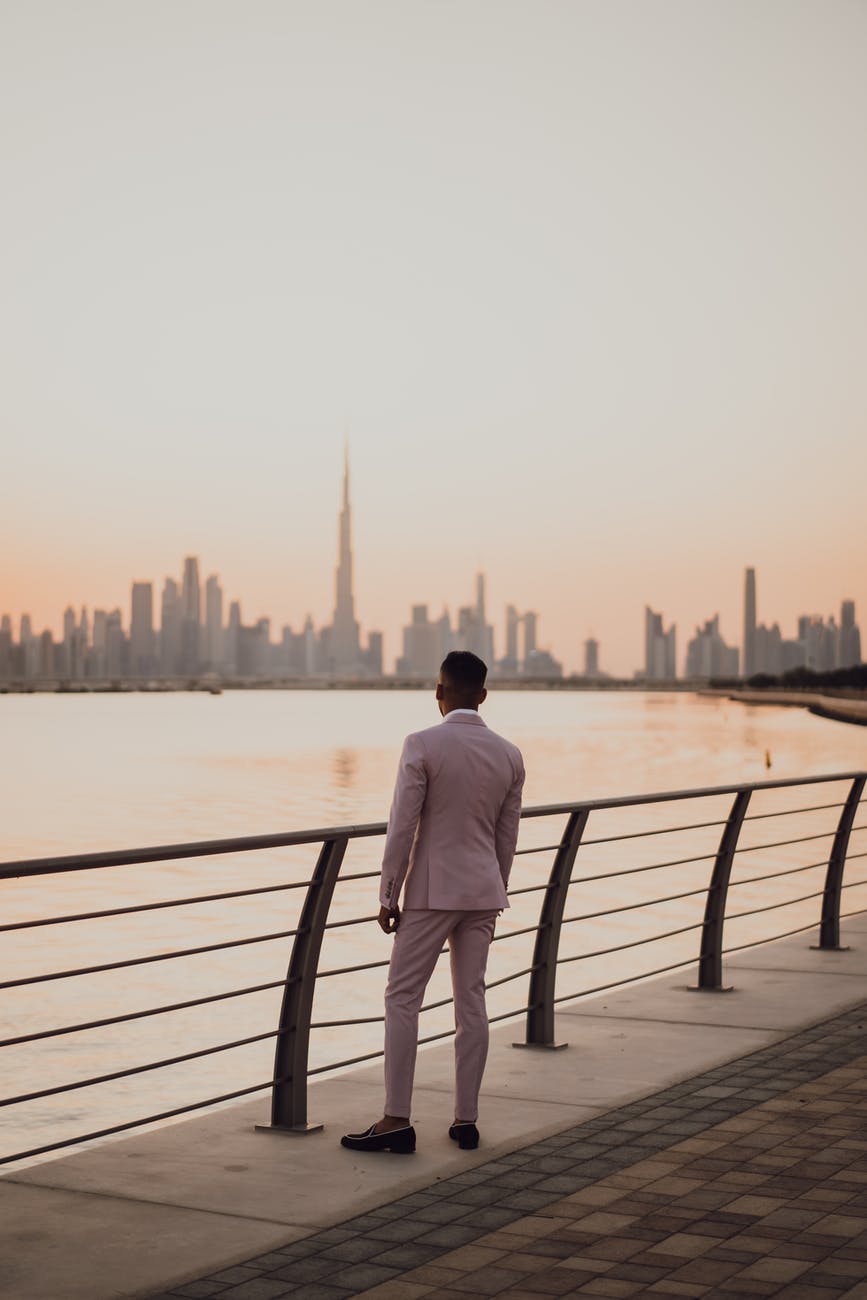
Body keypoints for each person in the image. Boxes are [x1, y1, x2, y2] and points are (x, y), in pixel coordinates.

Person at [341, 650, 525, 1155]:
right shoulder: (510, 754)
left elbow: (403, 824)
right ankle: (466, 1120)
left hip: (430, 891)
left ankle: (396, 1119)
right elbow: (506, 837)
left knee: (402, 998)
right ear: (483, 696)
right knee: (473, 1002)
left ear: (438, 691)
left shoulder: (421, 744)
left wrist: (387, 892)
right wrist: (495, 887)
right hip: (484, 892)